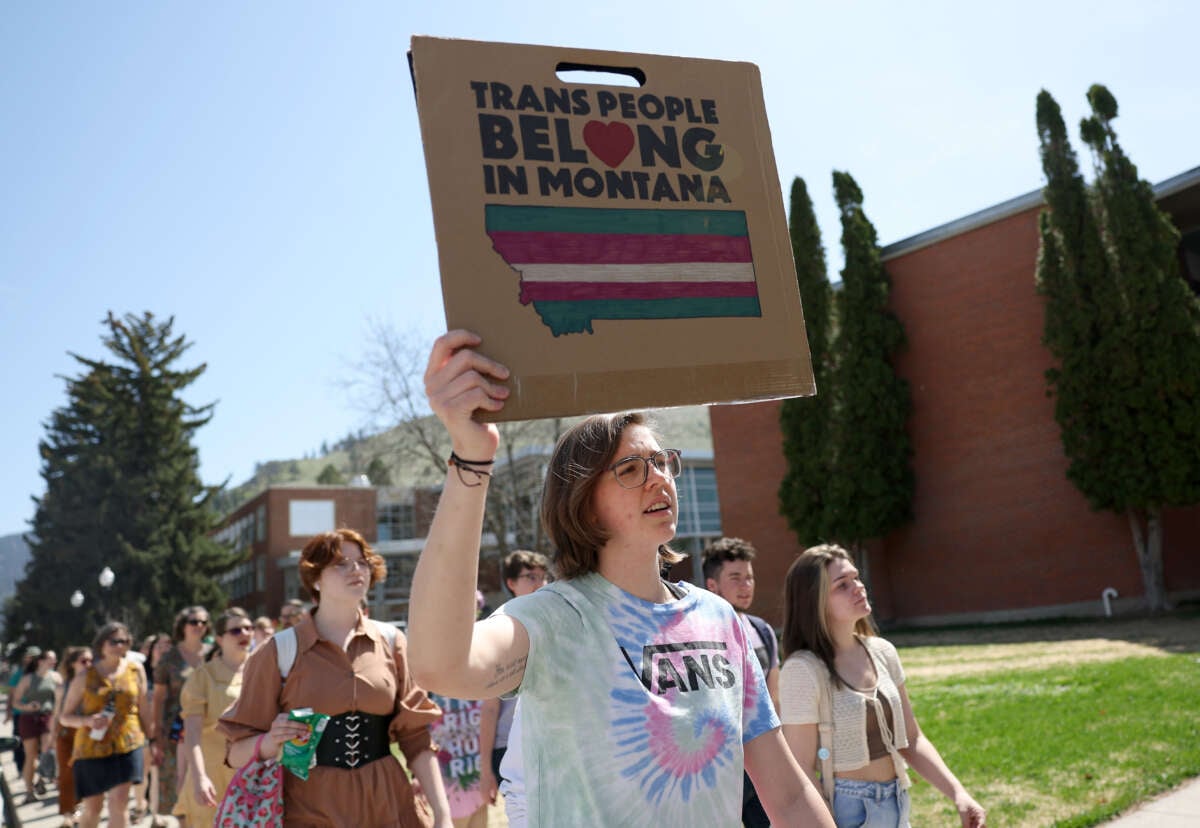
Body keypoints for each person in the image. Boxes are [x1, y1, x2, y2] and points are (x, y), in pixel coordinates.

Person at [408, 330, 834, 827]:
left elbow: (785, 794)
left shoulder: (719, 618)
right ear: (583, 503)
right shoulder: (553, 618)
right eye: (631, 468)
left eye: (661, 461)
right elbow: (440, 666)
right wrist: (472, 456)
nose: (659, 477)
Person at [219, 529, 453, 827]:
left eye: (362, 562)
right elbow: (235, 753)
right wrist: (269, 742)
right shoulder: (279, 651)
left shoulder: (392, 641)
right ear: (315, 578)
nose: (356, 569)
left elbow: (416, 738)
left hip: (387, 802)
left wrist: (443, 814)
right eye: (341, 563)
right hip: (309, 809)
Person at [779, 544, 987, 828]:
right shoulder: (803, 670)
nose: (858, 588)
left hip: (897, 800)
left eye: (856, 578)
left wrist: (959, 794)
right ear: (815, 602)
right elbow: (800, 769)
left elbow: (912, 740)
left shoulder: (882, 651)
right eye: (842, 585)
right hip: (845, 810)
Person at [703, 536, 781, 828]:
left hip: (761, 769)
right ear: (712, 585)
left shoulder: (763, 632)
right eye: (735, 577)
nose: (745, 585)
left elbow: (774, 702)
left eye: (749, 577)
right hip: (719, 773)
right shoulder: (700, 636)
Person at [58, 622, 151, 828]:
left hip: (129, 743)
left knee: (119, 803)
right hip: (92, 748)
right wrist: (87, 721)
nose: (120, 645)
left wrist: (152, 739)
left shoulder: (136, 670)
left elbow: (144, 707)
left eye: (125, 641)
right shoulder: (85, 676)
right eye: (114, 641)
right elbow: (65, 717)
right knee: (93, 808)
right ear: (101, 644)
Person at [477, 549, 549, 808]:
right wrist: (485, 771)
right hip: (510, 751)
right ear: (511, 583)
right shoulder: (501, 629)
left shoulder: (553, 622)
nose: (540, 583)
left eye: (543, 576)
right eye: (530, 576)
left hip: (550, 744)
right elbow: (489, 709)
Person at [177, 608, 251, 826]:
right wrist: (200, 777)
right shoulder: (203, 676)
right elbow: (191, 734)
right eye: (236, 630)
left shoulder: (263, 670)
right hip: (212, 774)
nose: (244, 633)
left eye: (248, 628)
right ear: (220, 638)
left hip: (252, 773)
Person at [152, 606, 210, 827]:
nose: (199, 626)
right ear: (182, 625)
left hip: (210, 728)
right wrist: (155, 736)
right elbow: (157, 700)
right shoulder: (169, 659)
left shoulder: (215, 653)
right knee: (179, 788)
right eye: (194, 621)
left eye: (203, 622)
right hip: (175, 732)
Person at [12, 647, 61, 803]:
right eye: (50, 659)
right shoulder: (28, 679)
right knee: (31, 755)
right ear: (41, 661)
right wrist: (27, 707)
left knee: (48, 752)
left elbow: (62, 699)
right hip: (28, 719)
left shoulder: (56, 677)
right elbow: (16, 701)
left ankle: (42, 779)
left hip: (48, 717)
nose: (54, 661)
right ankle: (29, 791)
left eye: (55, 659)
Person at [53, 647, 93, 827]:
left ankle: (81, 810)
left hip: (88, 731)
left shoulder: (96, 682)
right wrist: (50, 738)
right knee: (66, 773)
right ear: (72, 664)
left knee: (86, 772)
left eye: (91, 660)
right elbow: (57, 713)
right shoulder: (64, 685)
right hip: (67, 732)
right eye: (84, 661)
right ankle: (69, 814)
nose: (89, 664)